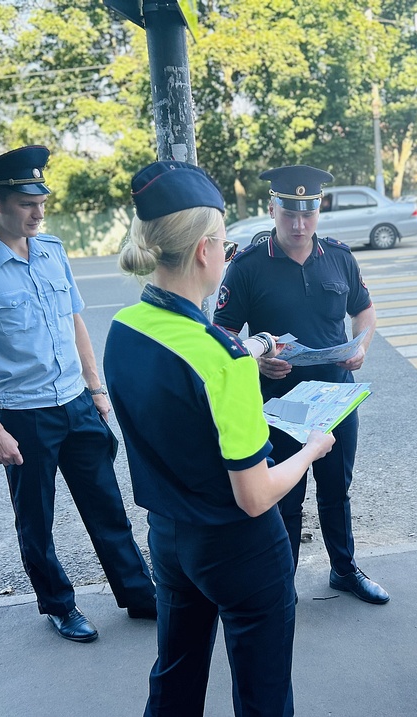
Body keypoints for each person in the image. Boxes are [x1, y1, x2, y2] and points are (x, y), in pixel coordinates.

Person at [104, 160, 335, 717]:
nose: (228, 253)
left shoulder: (124, 327)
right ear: (205, 251)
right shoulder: (223, 366)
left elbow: (186, 365)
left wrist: (255, 349)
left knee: (177, 671)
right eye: (225, 244)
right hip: (240, 547)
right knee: (262, 689)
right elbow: (255, 494)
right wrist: (309, 450)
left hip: (170, 536)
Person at [0, 145, 156, 643]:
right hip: (21, 414)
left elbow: (74, 320)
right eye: (24, 203)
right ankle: (59, 605)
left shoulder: (53, 251)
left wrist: (96, 390)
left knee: (107, 507)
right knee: (35, 520)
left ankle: (141, 596)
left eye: (41, 201)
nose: (38, 212)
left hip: (76, 402)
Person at [214, 165, 388, 605]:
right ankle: (281, 582)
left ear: (318, 210)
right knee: (285, 496)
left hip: (336, 398)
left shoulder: (339, 257)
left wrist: (361, 345)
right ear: (272, 208)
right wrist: (256, 364)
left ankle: (344, 570)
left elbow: (364, 311)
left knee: (336, 491)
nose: (298, 224)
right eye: (288, 213)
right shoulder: (248, 265)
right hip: (279, 402)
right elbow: (222, 333)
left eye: (307, 214)